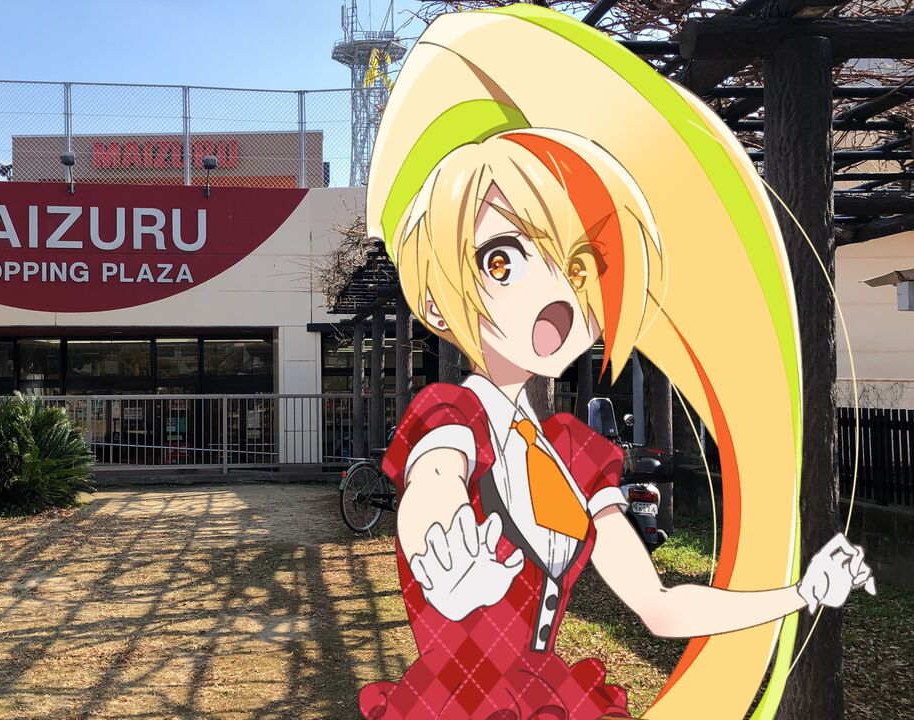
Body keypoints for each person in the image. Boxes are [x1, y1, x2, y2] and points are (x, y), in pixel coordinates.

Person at [357, 7, 874, 719]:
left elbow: (657, 605)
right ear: (437, 303)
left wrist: (800, 594)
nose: (550, 294)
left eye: (577, 265)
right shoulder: (452, 414)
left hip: (544, 696)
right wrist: (435, 553)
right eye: (502, 260)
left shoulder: (575, 453)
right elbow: (434, 481)